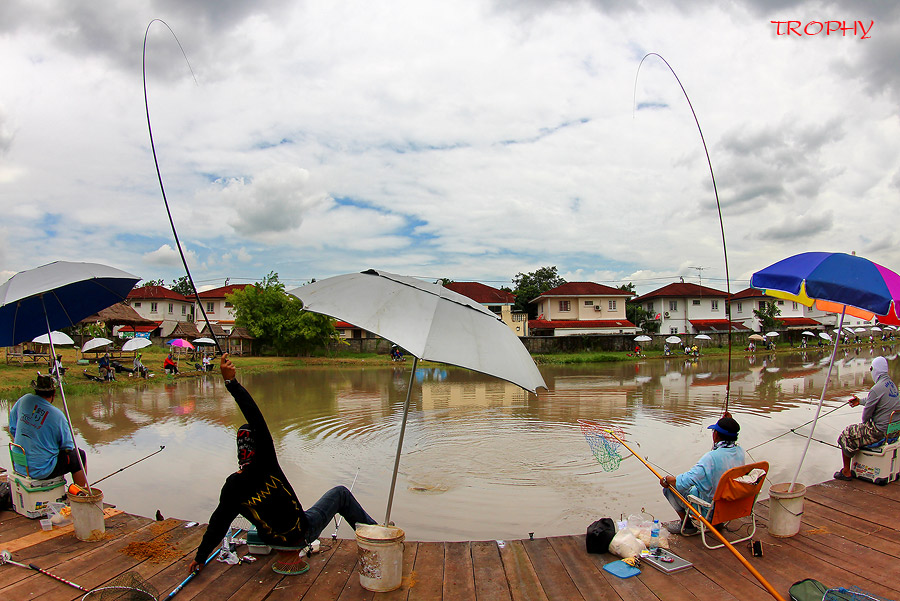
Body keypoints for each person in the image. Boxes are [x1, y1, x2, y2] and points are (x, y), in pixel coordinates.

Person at [189, 355, 377, 576]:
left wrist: (200, 558)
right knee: (341, 494)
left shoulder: (231, 487)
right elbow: (256, 417)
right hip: (301, 533)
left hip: (273, 540)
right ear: (260, 446)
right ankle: (377, 537)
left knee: (255, 520)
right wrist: (232, 383)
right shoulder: (266, 463)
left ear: (240, 452)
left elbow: (217, 526)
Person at [659, 415, 745, 535]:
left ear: (716, 435)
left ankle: (687, 525)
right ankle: (717, 523)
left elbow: (683, 482)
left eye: (714, 431)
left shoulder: (710, 458)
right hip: (730, 507)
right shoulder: (740, 452)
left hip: (711, 510)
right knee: (699, 487)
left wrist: (667, 480)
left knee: (669, 489)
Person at [8, 374, 88, 487]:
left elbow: (12, 428)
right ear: (54, 394)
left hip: (19, 464)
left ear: (36, 390)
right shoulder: (57, 415)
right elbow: (67, 447)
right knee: (78, 456)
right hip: (40, 470)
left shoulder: (24, 400)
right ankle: (81, 493)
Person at [834, 356, 900, 480]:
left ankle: (846, 471)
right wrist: (860, 401)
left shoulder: (876, 388)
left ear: (875, 370)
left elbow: (865, 417)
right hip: (893, 433)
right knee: (858, 432)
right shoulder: (892, 386)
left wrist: (865, 425)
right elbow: (877, 400)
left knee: (848, 433)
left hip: (880, 434)